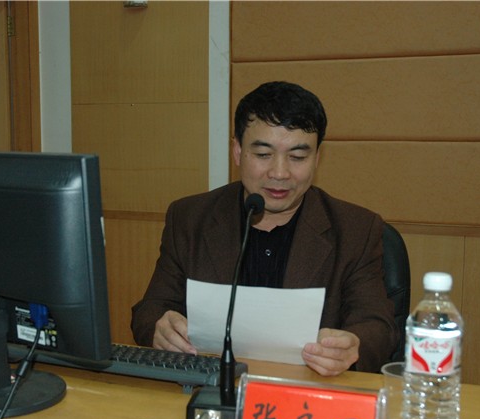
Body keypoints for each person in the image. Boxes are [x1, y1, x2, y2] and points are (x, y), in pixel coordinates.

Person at [131, 81, 397, 375]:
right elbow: (150, 310)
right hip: (212, 387)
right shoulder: (190, 218)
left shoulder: (356, 230)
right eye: (263, 154)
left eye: (297, 157)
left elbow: (378, 327)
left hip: (306, 390)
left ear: (317, 159)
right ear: (237, 151)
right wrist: (160, 328)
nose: (279, 173)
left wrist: (351, 346)